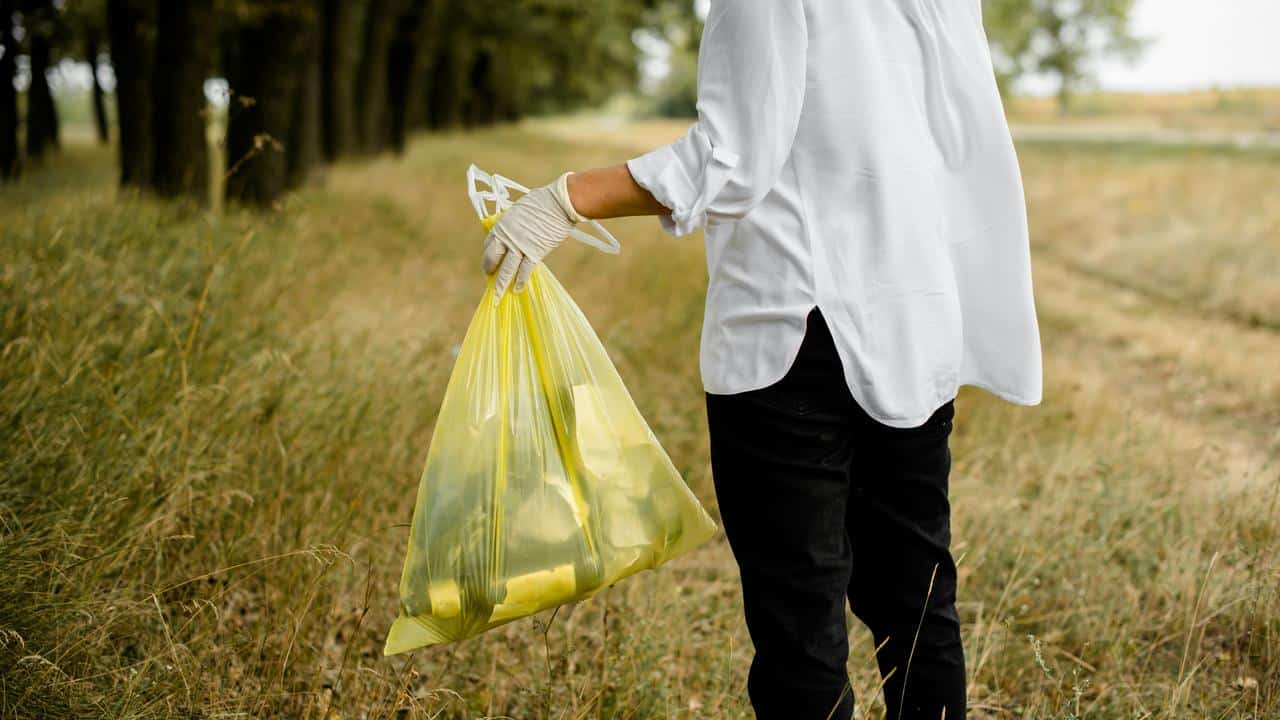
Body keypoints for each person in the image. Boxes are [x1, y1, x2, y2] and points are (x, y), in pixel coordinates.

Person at [481, 0, 1042, 717]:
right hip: (913, 320)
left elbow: (733, 157)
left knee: (801, 631)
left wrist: (566, 198)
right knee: (919, 607)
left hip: (793, 329)